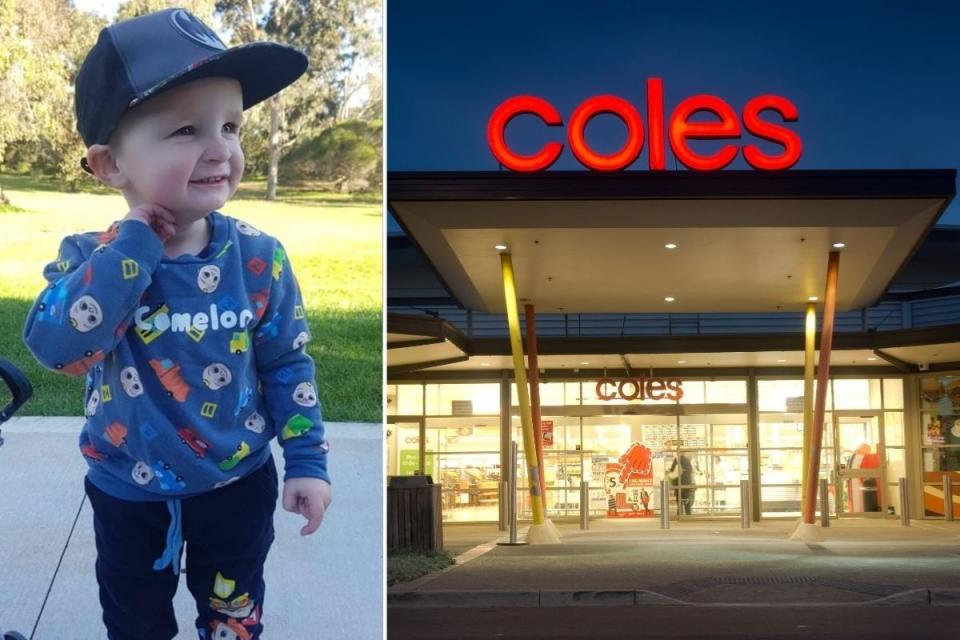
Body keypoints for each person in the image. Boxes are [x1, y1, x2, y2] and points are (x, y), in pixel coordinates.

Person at [22, 10, 331, 640]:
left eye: (231, 126)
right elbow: (55, 348)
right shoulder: (92, 257)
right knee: (135, 616)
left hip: (237, 479)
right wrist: (130, 250)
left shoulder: (258, 257)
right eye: (187, 130)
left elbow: (287, 363)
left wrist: (305, 459)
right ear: (110, 165)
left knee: (234, 610)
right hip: (128, 490)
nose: (221, 148)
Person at [666, 441, 697, 516]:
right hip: (687, 483)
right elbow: (691, 471)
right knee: (687, 500)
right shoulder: (688, 460)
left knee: (679, 500)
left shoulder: (676, 460)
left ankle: (680, 515)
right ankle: (688, 514)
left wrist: (668, 471)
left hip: (679, 483)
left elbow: (672, 470)